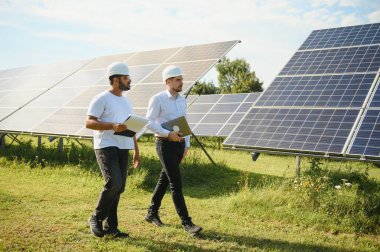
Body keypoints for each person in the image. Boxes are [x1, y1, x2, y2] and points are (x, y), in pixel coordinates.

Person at [144, 65, 202, 235]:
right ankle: (187, 223)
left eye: (181, 79)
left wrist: (187, 144)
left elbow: (185, 121)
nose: (181, 82)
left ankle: (151, 213)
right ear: (168, 81)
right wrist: (168, 133)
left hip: (179, 145)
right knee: (175, 182)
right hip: (164, 144)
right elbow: (149, 122)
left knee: (164, 179)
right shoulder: (158, 99)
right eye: (177, 80)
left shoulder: (182, 99)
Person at [86, 62, 140, 238]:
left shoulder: (127, 101)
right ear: (116, 80)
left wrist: (136, 151)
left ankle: (111, 227)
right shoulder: (101, 99)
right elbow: (89, 122)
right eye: (126, 78)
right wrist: (112, 125)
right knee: (114, 183)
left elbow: (130, 126)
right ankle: (96, 217)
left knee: (120, 187)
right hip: (106, 145)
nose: (129, 80)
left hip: (124, 147)